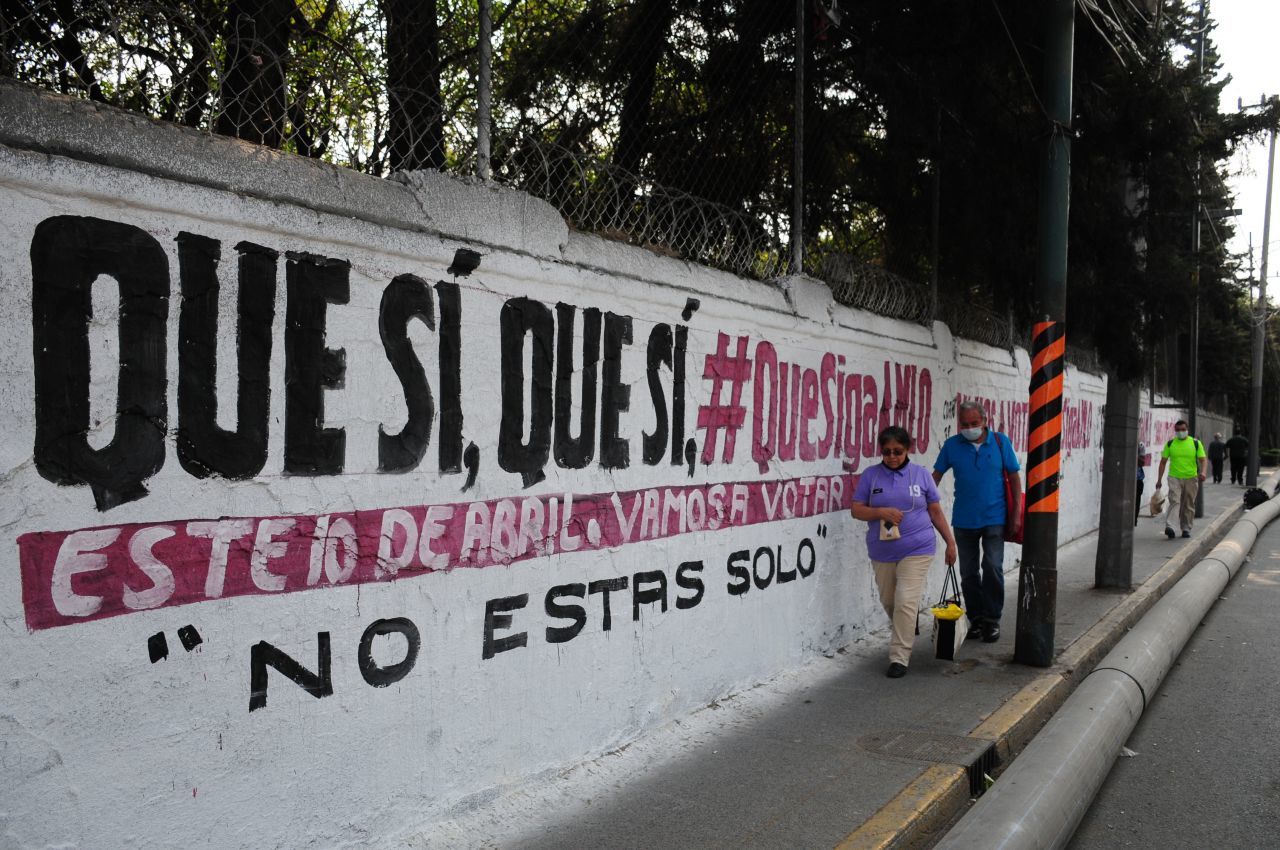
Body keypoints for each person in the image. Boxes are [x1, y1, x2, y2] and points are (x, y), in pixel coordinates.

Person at [851, 426, 958, 678]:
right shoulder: (871, 476)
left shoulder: (921, 475)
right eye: (886, 452)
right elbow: (856, 510)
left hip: (918, 547)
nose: (891, 456)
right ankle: (907, 623)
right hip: (882, 551)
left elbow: (935, 511)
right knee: (890, 601)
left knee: (905, 601)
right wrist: (880, 513)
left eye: (897, 451)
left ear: (907, 449)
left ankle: (899, 657)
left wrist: (950, 542)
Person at [932, 401, 1021, 644]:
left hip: (995, 518)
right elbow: (935, 477)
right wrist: (922, 502)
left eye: (974, 423)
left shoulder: (1001, 442)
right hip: (964, 520)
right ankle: (977, 619)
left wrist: (1016, 516)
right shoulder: (952, 446)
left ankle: (992, 620)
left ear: (984, 421)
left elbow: (1014, 478)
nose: (970, 428)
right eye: (965, 424)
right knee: (968, 573)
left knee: (992, 566)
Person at [1155, 420, 1207, 539]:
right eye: (1178, 430)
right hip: (1174, 477)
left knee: (1188, 503)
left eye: (1183, 429)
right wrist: (1159, 480)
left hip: (1191, 478)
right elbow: (1163, 463)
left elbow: (1203, 460)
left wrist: (1203, 472)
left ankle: (1186, 528)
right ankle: (1171, 527)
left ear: (1187, 429)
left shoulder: (1195, 443)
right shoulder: (1170, 444)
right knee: (1175, 500)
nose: (1180, 432)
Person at [1135, 440, 1146, 526]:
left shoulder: (1140, 445)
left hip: (1137, 478)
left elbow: (1142, 462)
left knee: (1136, 500)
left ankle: (1134, 519)